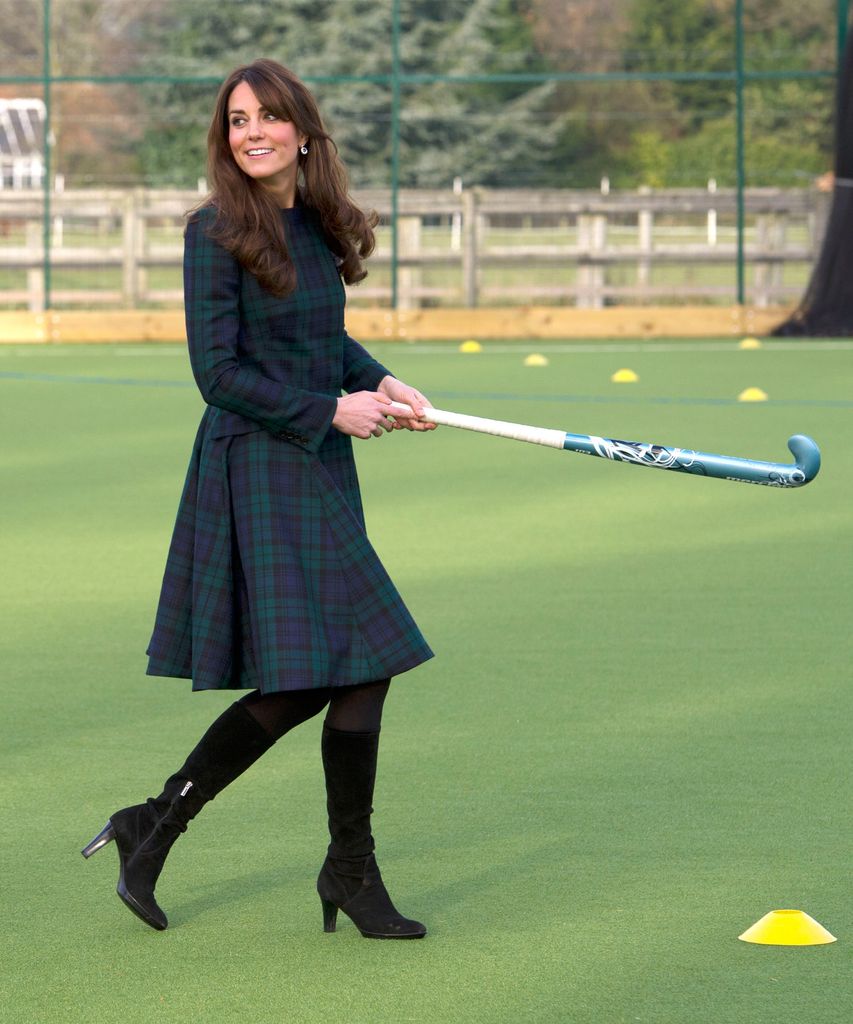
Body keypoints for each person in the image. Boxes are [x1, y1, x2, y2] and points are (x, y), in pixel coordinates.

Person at [82, 58, 436, 941]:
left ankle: (162, 825)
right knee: (354, 662)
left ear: (303, 132)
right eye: (236, 121)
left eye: (266, 118)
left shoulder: (313, 226)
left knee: (343, 671)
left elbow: (327, 335)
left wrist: (384, 380)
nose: (250, 133)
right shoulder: (214, 232)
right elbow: (219, 375)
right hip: (260, 459)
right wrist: (329, 409)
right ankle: (329, 868)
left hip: (316, 461)